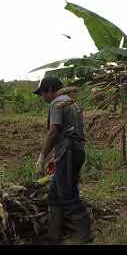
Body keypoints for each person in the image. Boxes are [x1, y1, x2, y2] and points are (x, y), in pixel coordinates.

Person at [33, 77, 92, 244]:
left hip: (69, 152)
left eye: (43, 93)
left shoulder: (57, 103)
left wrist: (42, 156)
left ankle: (83, 234)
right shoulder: (71, 102)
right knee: (54, 194)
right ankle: (54, 234)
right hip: (73, 151)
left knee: (67, 193)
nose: (42, 97)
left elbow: (54, 131)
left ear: (50, 90)